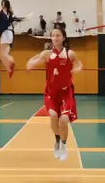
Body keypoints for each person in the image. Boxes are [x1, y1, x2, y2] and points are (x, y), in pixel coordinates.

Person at [26, 27, 83, 162]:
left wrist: (78, 67)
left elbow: (78, 63)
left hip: (66, 92)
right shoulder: (46, 54)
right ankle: (57, 140)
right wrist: (30, 64)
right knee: (53, 115)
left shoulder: (70, 54)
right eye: (53, 36)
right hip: (51, 92)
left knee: (63, 120)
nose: (55, 38)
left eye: (58, 35)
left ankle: (63, 145)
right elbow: (36, 61)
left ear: (63, 37)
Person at [0, 0, 17, 77]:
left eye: (2, 3)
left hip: (5, 33)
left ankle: (12, 61)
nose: (1, 4)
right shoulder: (10, 13)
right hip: (10, 33)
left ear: (5, 4)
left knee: (3, 55)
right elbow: (14, 23)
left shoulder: (1, 13)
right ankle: (9, 70)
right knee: (3, 55)